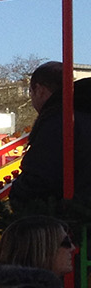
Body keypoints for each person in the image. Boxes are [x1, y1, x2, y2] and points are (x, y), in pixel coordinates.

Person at [9, 61, 91, 214]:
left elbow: (41, 177)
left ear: (39, 90)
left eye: (31, 92)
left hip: (68, 219)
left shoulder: (58, 121)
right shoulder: (84, 114)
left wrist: (18, 195)